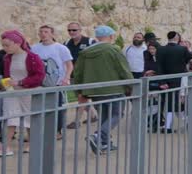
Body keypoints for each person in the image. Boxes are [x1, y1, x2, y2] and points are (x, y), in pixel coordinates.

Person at [71, 26, 133, 154]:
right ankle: (97, 136)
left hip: (94, 91)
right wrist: (131, 86)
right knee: (117, 114)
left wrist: (79, 91)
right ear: (111, 36)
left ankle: (104, 143)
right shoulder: (113, 50)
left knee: (104, 116)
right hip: (114, 89)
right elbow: (123, 69)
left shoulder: (85, 52)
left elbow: (77, 73)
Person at [0, 30, 44, 152]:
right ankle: (5, 146)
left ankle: (33, 143)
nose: (4, 48)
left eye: (7, 45)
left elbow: (39, 76)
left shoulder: (32, 57)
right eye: (3, 45)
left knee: (30, 117)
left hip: (29, 91)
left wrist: (20, 82)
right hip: (12, 92)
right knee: (10, 116)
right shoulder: (7, 58)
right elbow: (7, 74)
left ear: (18, 43)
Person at [32, 24, 74, 137]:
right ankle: (40, 130)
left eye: (46, 32)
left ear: (52, 34)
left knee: (57, 107)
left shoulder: (61, 48)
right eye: (41, 32)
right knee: (39, 107)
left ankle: (57, 130)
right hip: (40, 83)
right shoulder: (34, 48)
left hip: (57, 83)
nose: (43, 34)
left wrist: (66, 77)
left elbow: (69, 65)